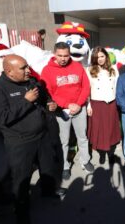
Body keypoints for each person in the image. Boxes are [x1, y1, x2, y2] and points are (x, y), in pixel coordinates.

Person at [0, 55, 61, 224]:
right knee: (21, 178)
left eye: (28, 66)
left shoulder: (31, 81)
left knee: (47, 166)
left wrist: (50, 103)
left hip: (41, 136)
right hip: (20, 142)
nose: (28, 70)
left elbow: (42, 99)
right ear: (9, 71)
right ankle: (21, 210)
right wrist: (25, 101)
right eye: (23, 68)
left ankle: (48, 191)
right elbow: (3, 118)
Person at [41, 42, 94, 181]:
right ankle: (65, 166)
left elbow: (86, 86)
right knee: (63, 140)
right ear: (54, 54)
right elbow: (48, 92)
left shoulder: (77, 66)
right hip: (61, 111)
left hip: (79, 108)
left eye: (66, 55)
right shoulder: (47, 70)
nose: (63, 58)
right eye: (60, 55)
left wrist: (79, 103)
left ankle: (85, 160)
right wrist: (66, 104)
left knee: (82, 137)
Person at [86, 46, 121, 165]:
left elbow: (116, 87)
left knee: (111, 129)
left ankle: (111, 154)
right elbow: (87, 90)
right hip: (97, 104)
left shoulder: (113, 69)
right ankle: (101, 154)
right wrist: (88, 105)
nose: (100, 59)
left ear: (106, 56)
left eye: (102, 56)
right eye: (97, 57)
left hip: (111, 103)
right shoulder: (89, 70)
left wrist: (117, 103)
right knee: (100, 130)